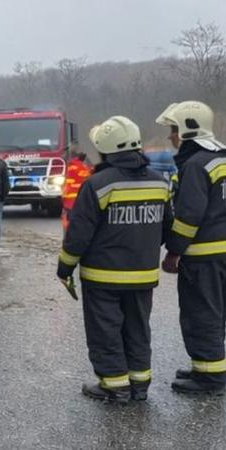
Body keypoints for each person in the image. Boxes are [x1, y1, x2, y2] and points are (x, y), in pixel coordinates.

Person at [57, 116, 172, 403]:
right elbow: (166, 227)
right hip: (143, 275)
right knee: (138, 329)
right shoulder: (159, 182)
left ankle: (115, 385)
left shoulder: (98, 184)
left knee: (105, 330)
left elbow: (79, 234)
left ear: (105, 149)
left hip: (103, 276)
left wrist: (65, 267)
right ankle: (139, 385)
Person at [156, 101, 226, 395]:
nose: (171, 136)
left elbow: (189, 216)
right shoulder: (220, 158)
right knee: (217, 312)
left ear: (188, 130)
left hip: (204, 255)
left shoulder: (195, 165)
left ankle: (210, 377)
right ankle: (205, 366)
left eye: (174, 130)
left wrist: (174, 251)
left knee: (202, 313)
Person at [61, 152, 92, 231]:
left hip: (68, 201)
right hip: (79, 200)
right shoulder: (83, 168)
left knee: (69, 222)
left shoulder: (70, 166)